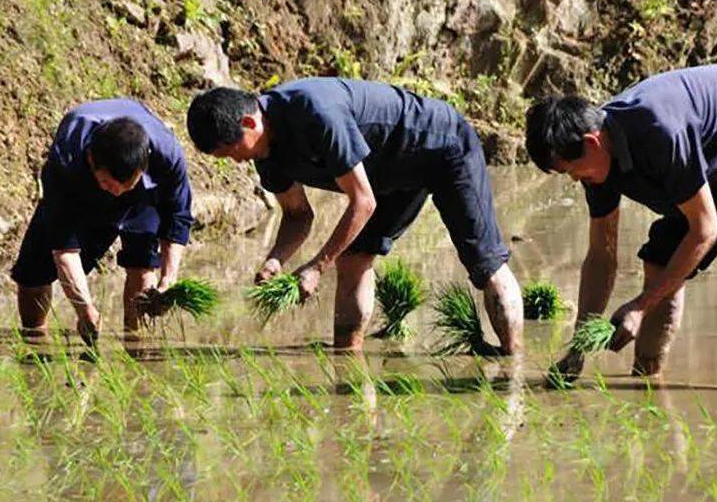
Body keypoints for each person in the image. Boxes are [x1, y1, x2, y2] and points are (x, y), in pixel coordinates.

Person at [526, 64, 717, 392]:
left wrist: (641, 306)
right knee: (660, 262)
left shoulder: (659, 129)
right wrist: (578, 349)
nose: (574, 179)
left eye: (573, 170)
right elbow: (602, 256)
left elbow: (704, 229)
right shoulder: (597, 166)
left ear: (592, 142)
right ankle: (647, 385)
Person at [186, 78, 524, 355]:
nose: (236, 161)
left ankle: (514, 365)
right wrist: (275, 260)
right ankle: (347, 356)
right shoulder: (264, 152)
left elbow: (361, 202)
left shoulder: (314, 112)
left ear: (249, 122)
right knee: (352, 260)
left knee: (484, 262)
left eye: (232, 151)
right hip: (384, 177)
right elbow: (297, 215)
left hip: (441, 146)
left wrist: (317, 267)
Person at [12, 99, 193, 343]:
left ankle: (135, 343)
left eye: (126, 186)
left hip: (143, 197)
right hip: (80, 194)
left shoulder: (167, 156)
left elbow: (177, 218)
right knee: (34, 272)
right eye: (108, 184)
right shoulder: (66, 161)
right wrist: (83, 308)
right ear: (91, 160)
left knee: (142, 263)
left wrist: (168, 281)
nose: (117, 193)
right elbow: (64, 249)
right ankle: (35, 340)